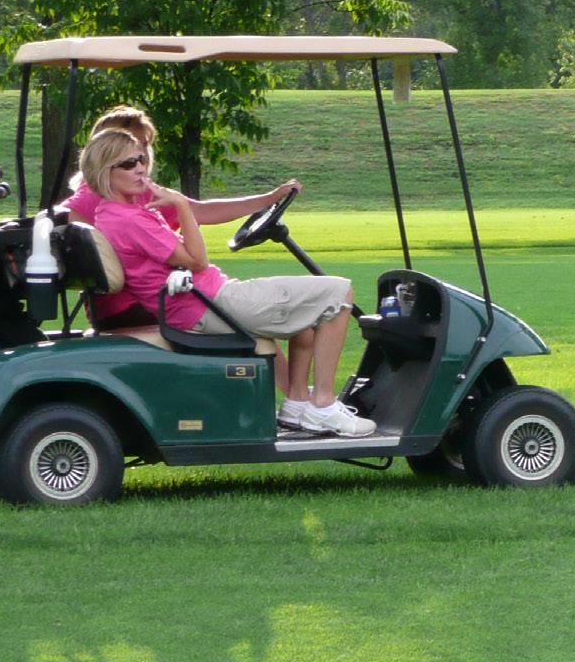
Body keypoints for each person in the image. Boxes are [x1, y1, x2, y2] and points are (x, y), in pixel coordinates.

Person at [78, 128, 375, 437]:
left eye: (142, 159)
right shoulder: (131, 220)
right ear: (104, 172)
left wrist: (266, 199)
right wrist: (181, 205)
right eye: (129, 164)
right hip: (208, 304)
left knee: (305, 311)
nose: (141, 168)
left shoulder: (114, 214)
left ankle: (297, 402)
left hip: (201, 300)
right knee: (338, 292)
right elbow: (197, 261)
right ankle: (323, 405)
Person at [61, 105, 300, 332]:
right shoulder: (92, 200)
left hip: (159, 297)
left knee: (263, 324)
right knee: (256, 329)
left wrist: (268, 199)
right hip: (132, 306)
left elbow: (200, 211)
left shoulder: (135, 193)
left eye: (143, 146)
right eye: (131, 147)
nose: (142, 156)